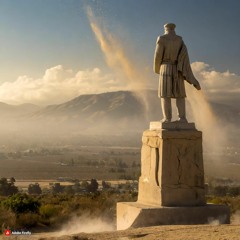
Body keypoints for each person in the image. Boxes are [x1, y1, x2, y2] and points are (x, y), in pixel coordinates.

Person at [154, 23, 201, 123]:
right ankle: (182, 118)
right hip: (178, 68)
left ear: (165, 29)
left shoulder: (162, 38)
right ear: (174, 29)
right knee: (179, 95)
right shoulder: (180, 40)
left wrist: (157, 69)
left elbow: (158, 55)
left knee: (165, 94)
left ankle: (167, 118)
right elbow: (184, 57)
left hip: (165, 67)